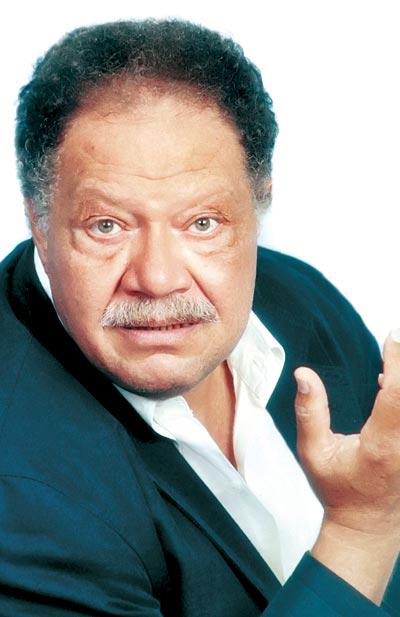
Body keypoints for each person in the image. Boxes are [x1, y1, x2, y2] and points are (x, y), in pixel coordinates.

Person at [0, 18, 399, 616]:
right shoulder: (19, 491)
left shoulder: (300, 298)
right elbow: (381, 518)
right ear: (38, 222)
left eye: (202, 223)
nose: (159, 278)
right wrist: (361, 531)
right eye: (107, 226)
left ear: (259, 202)